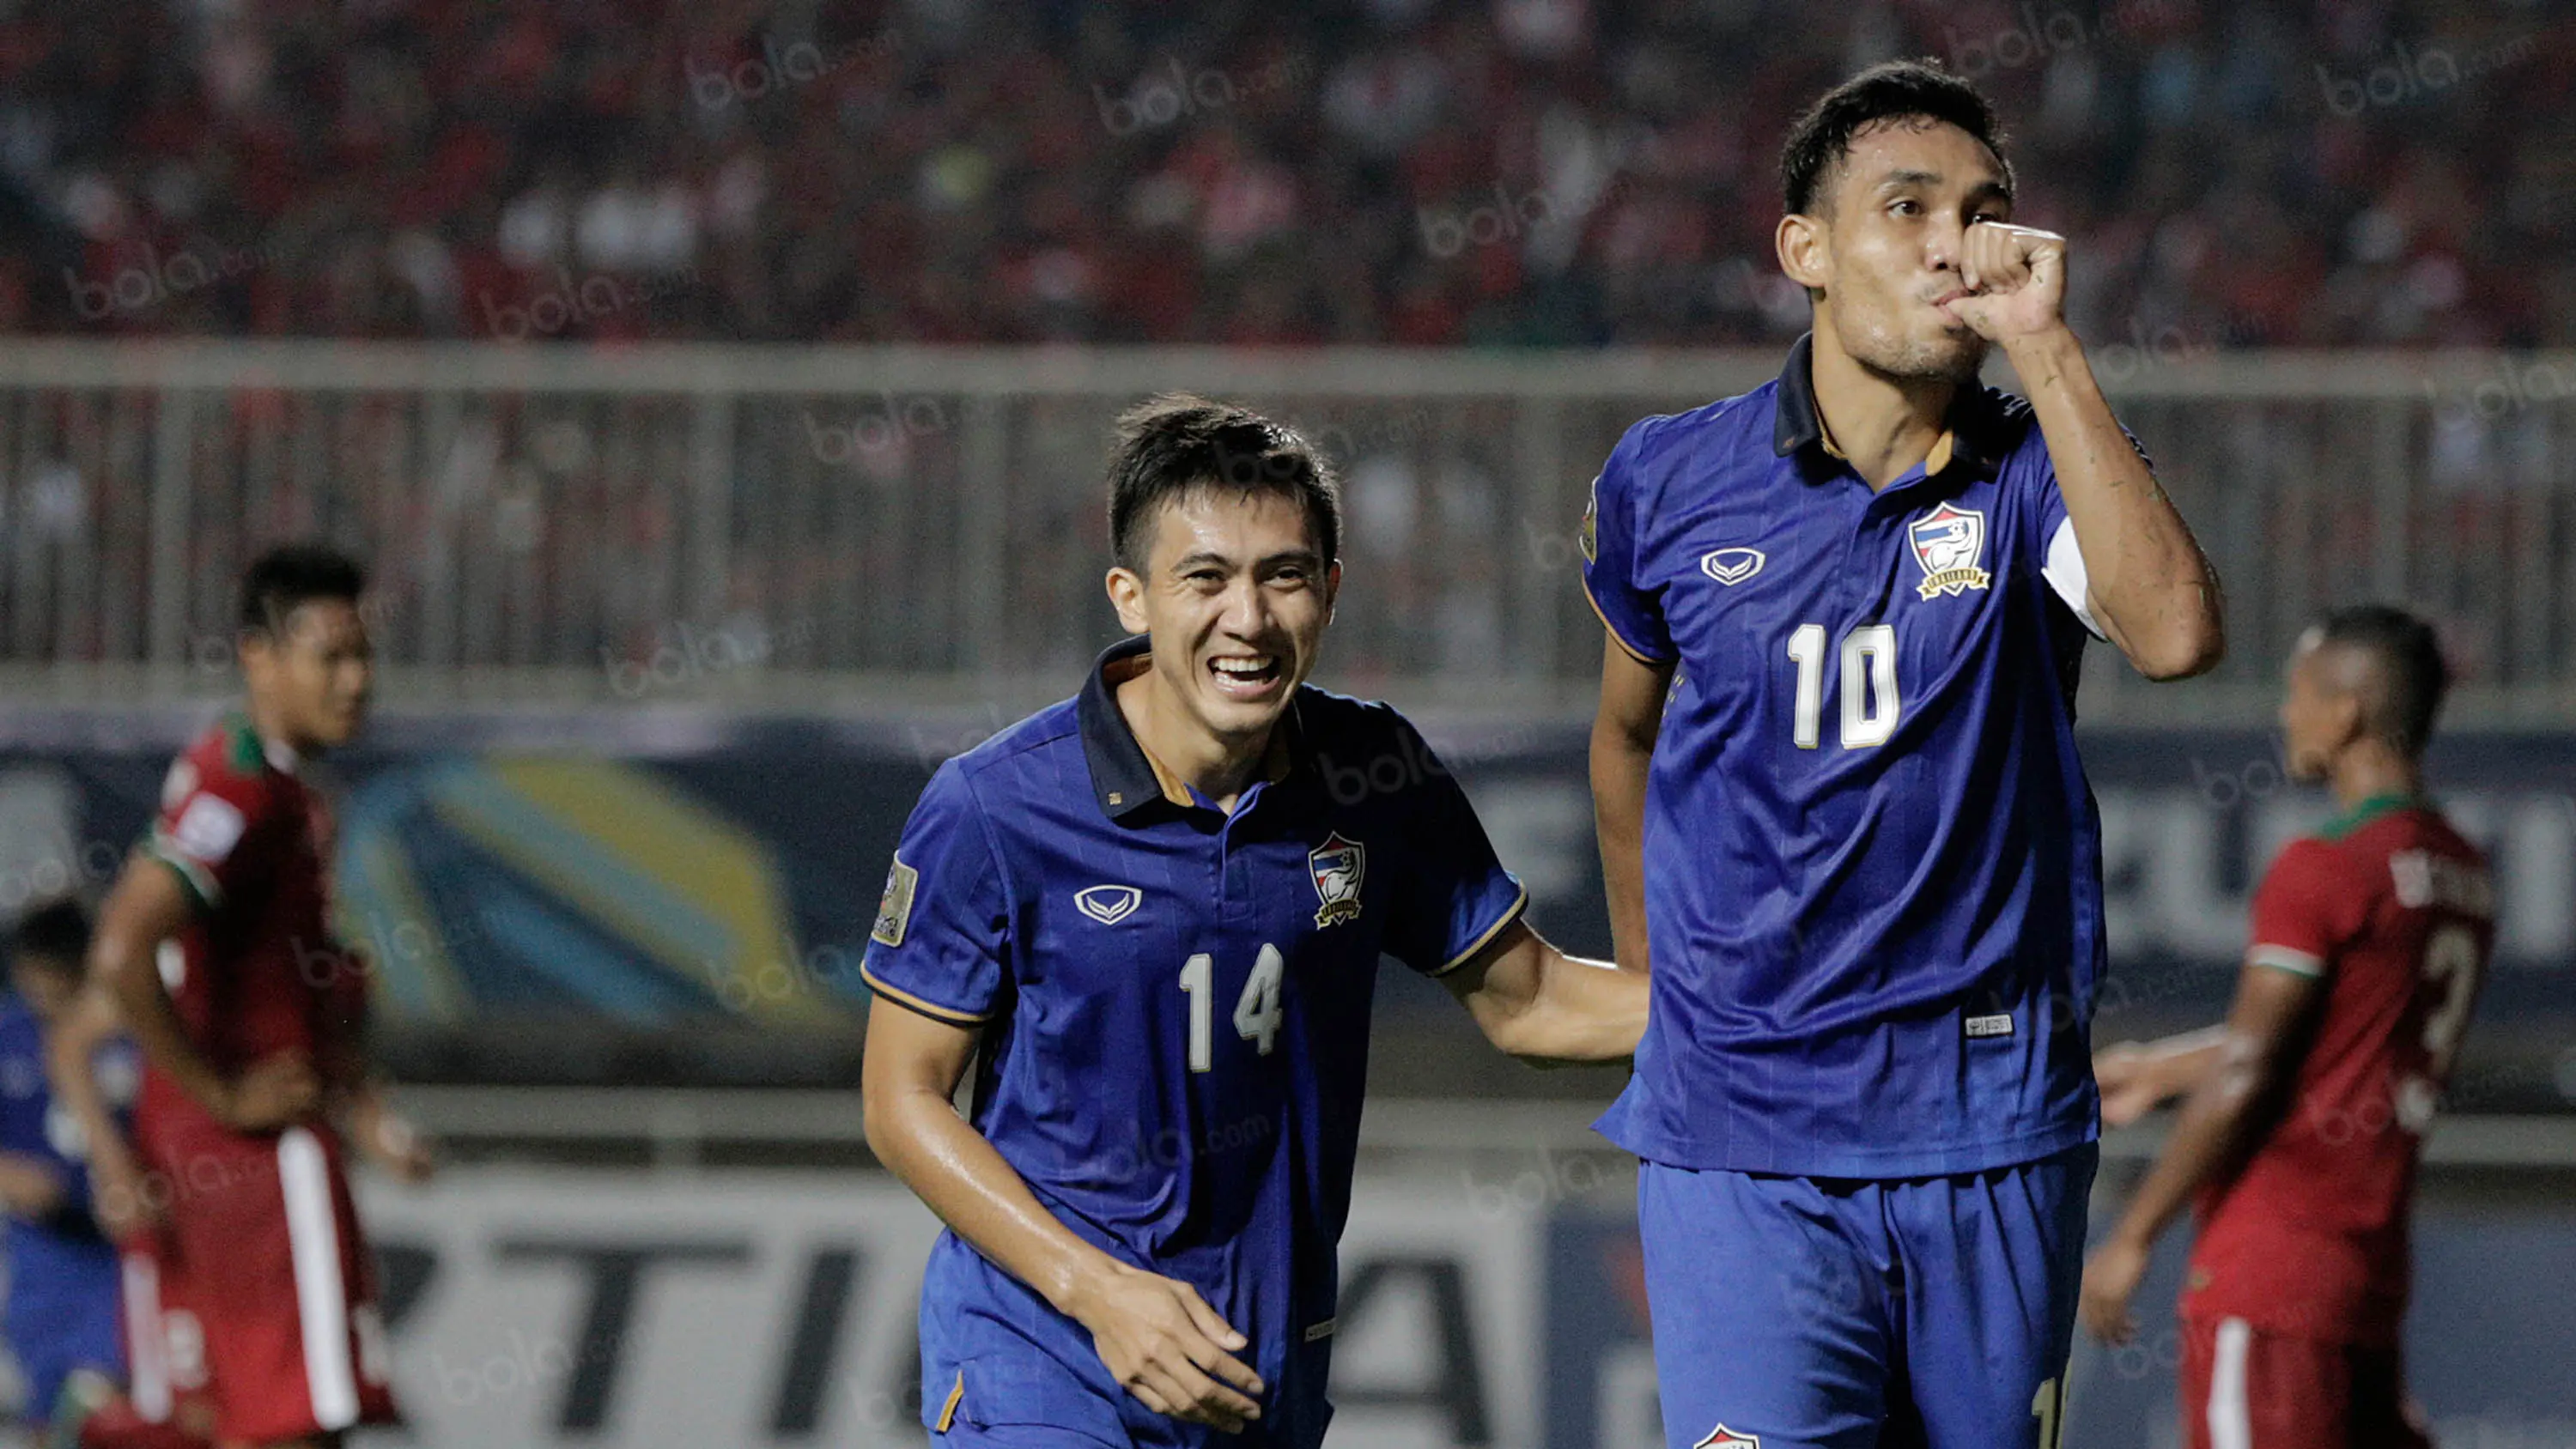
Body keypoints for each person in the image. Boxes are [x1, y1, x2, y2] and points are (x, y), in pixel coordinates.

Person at [1580, 58, 2225, 1449]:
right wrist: (1652, 976)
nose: (1956, 242)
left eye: (1985, 210)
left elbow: (2175, 634)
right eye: (1910, 206)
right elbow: (1623, 735)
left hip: (1989, 1122)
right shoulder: (1666, 477)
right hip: (1738, 1138)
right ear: (1805, 251)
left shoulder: (2033, 465)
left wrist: (2048, 349)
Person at [861, 394, 1648, 1447]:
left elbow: (1536, 1001)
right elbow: (901, 1099)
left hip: (1259, 1370)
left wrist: (1795, 1008)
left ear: (1328, 591)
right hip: (1043, 1357)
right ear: (1131, 596)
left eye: (1283, 575)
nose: (1249, 617)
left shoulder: (1378, 777)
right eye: (1206, 578)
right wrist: (1096, 1291)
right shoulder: (994, 807)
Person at [2081, 606, 2485, 1449]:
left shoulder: (2323, 866)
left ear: (2345, 713)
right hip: (2367, 1275)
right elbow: (2344, 1040)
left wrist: (2131, 1236)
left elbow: (2251, 1070)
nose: (2286, 713)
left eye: (2299, 692)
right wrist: (2162, 1066)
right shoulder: (2459, 869)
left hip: (2270, 1275)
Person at [76, 544, 433, 1449]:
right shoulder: (245, 784)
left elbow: (304, 975)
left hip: (204, 1145)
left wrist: (361, 1102)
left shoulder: (278, 787)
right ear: (258, 655)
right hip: (257, 1152)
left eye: (364, 657)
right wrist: (224, 1091)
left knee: (227, 1422)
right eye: (330, 657)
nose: (356, 681)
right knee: (302, 1422)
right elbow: (123, 949)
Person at [0, 900, 126, 1434]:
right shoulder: (7, 1035)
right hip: (42, 1256)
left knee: (112, 1404)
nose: (41, 985)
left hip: (121, 1252)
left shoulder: (127, 1032)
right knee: (48, 1411)